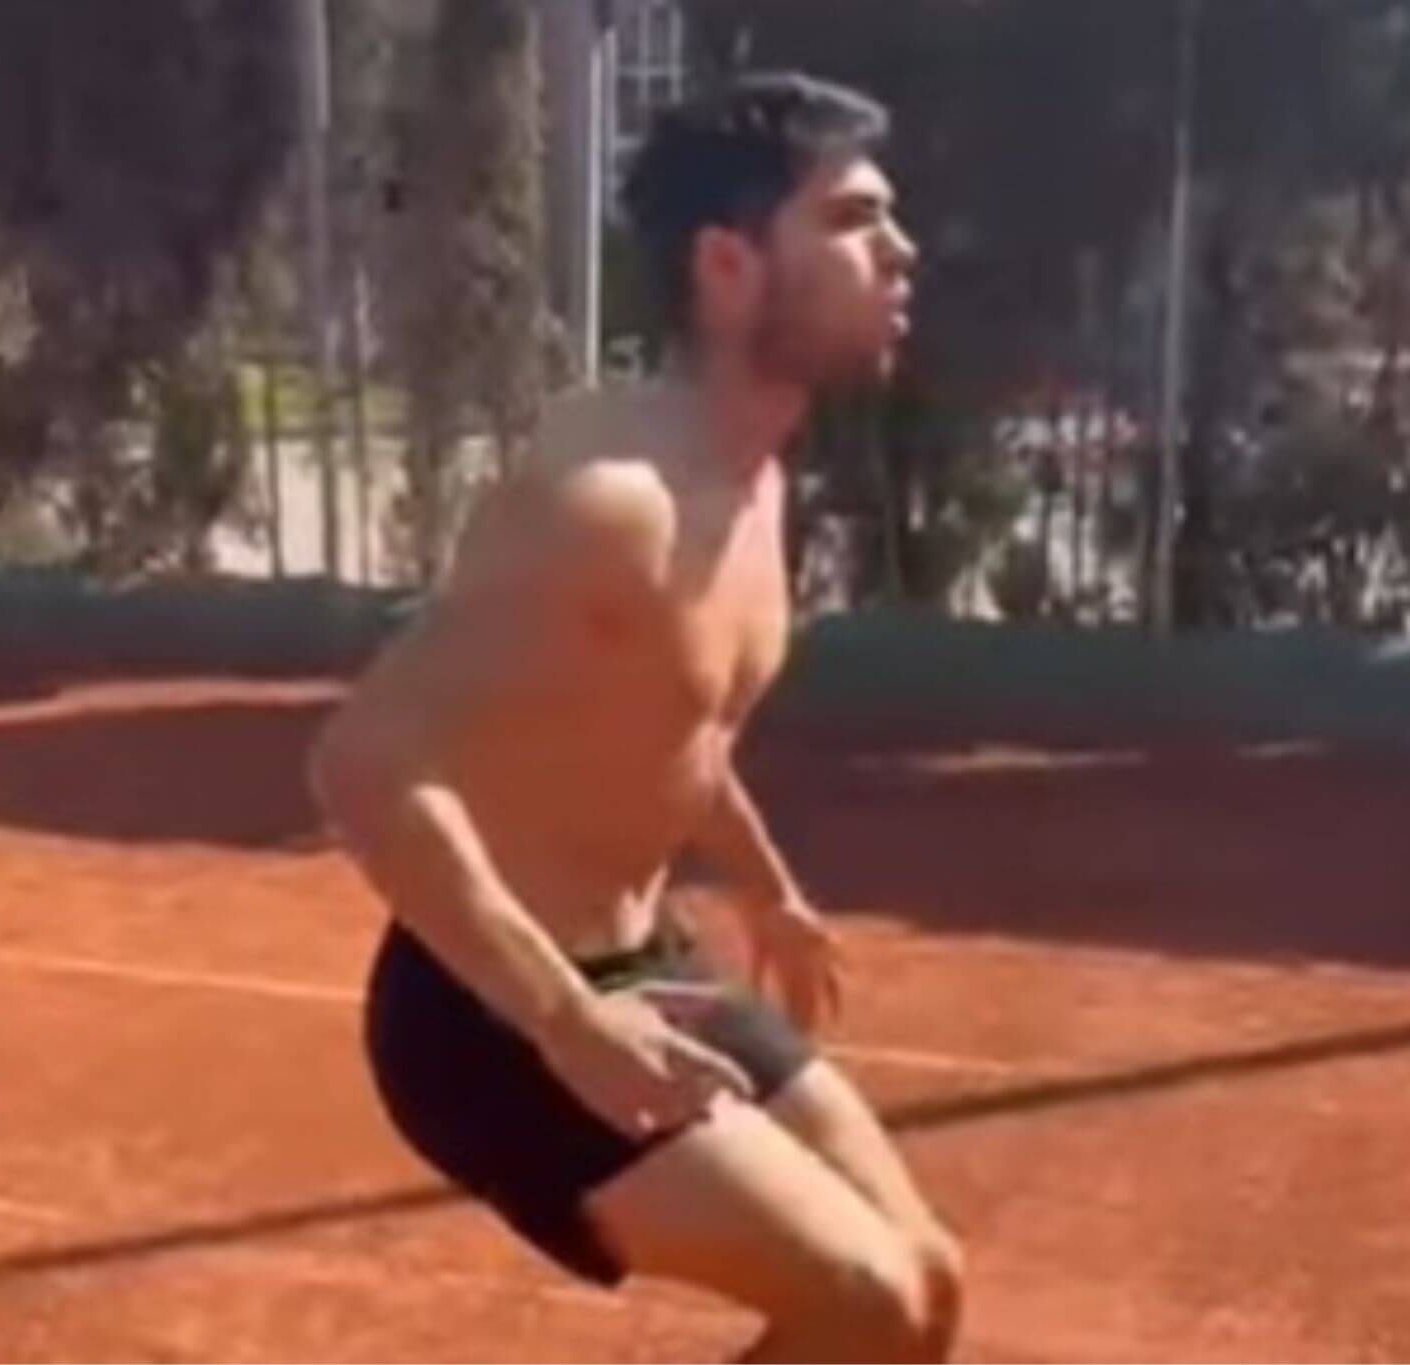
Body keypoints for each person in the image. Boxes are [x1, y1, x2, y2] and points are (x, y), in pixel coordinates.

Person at [309, 71, 961, 1363]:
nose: (901, 250)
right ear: (728, 265)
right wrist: (567, 1026)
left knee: (926, 1287)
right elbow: (364, 763)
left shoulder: (754, 482)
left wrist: (768, 889)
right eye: (852, 218)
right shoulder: (607, 500)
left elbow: (676, 723)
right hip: (493, 1017)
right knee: (866, 1306)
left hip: (645, 963)